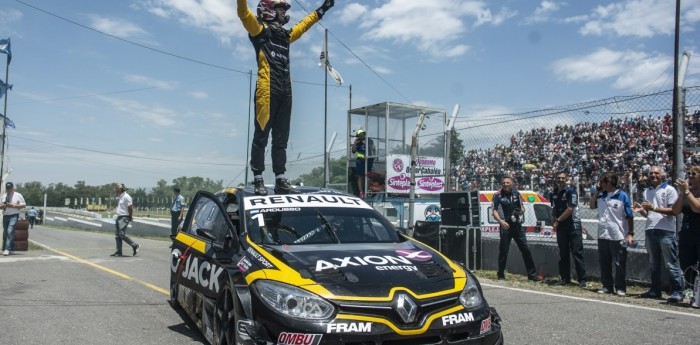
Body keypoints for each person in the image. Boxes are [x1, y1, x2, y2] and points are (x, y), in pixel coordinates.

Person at [237, 0, 335, 196]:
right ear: (268, 12)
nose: (284, 13)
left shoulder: (285, 35)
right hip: (267, 89)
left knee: (281, 138)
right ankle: (258, 179)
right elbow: (243, 13)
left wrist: (323, 9)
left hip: (285, 89)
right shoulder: (258, 30)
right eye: (280, 9)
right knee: (261, 137)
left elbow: (303, 25)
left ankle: (280, 179)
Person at [633, 166, 684, 302]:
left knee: (671, 263)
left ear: (663, 175)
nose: (653, 175)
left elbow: (674, 211)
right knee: (653, 263)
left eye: (656, 173)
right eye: (651, 173)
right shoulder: (647, 191)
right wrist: (641, 210)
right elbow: (649, 214)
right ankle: (655, 290)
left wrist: (653, 208)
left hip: (666, 230)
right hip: (650, 228)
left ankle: (677, 291)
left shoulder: (669, 190)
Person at [591, 172, 634, 296]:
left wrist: (630, 233)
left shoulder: (622, 196)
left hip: (618, 235)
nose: (599, 184)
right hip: (603, 234)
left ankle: (620, 287)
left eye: (601, 182)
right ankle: (607, 286)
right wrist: (596, 192)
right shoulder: (601, 195)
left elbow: (629, 216)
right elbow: (592, 205)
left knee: (619, 263)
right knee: (604, 262)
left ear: (608, 182)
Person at [492, 175, 540, 281]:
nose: (506, 184)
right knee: (504, 251)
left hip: (517, 226)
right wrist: (501, 221)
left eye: (508, 182)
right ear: (501, 184)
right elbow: (494, 211)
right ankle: (500, 274)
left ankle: (532, 276)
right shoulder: (497, 195)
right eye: (504, 182)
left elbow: (522, 207)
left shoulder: (516, 194)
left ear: (512, 183)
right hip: (505, 226)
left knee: (525, 249)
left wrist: (521, 211)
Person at [551, 171, 587, 288]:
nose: (560, 179)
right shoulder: (554, 192)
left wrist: (558, 220)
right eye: (558, 178)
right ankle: (565, 278)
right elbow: (554, 207)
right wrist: (553, 218)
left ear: (566, 179)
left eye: (562, 178)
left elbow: (570, 208)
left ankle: (582, 279)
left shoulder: (571, 191)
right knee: (563, 253)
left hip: (573, 226)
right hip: (561, 227)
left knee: (577, 252)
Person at [671, 165, 700, 301]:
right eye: (689, 173)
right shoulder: (687, 192)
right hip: (687, 233)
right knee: (686, 264)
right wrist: (683, 194)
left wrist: (687, 192)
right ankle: (689, 293)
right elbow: (676, 210)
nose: (690, 176)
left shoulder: (693, 193)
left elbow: (697, 208)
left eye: (693, 174)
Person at [111, 183, 139, 257]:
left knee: (121, 234)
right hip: (119, 216)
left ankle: (134, 245)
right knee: (117, 235)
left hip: (124, 217)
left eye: (117, 188)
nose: (116, 190)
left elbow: (130, 207)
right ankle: (118, 252)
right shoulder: (120, 196)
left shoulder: (127, 197)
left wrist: (130, 217)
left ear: (121, 189)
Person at [1, 182, 25, 256]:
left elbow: (23, 205)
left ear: (12, 188)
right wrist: (3, 206)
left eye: (10, 188)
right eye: (7, 189)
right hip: (5, 215)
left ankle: (7, 249)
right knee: (5, 233)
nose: (9, 190)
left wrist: (13, 205)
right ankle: (11, 248)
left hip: (14, 215)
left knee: (10, 231)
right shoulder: (3, 196)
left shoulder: (18, 195)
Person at [352, 129, 375, 199]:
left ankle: (367, 191)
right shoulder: (358, 143)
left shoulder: (370, 141)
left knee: (370, 175)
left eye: (362, 134)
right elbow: (353, 151)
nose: (361, 136)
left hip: (369, 160)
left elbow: (374, 149)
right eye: (359, 135)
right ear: (358, 136)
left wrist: (374, 156)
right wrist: (355, 142)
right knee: (361, 176)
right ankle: (361, 192)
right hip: (360, 161)